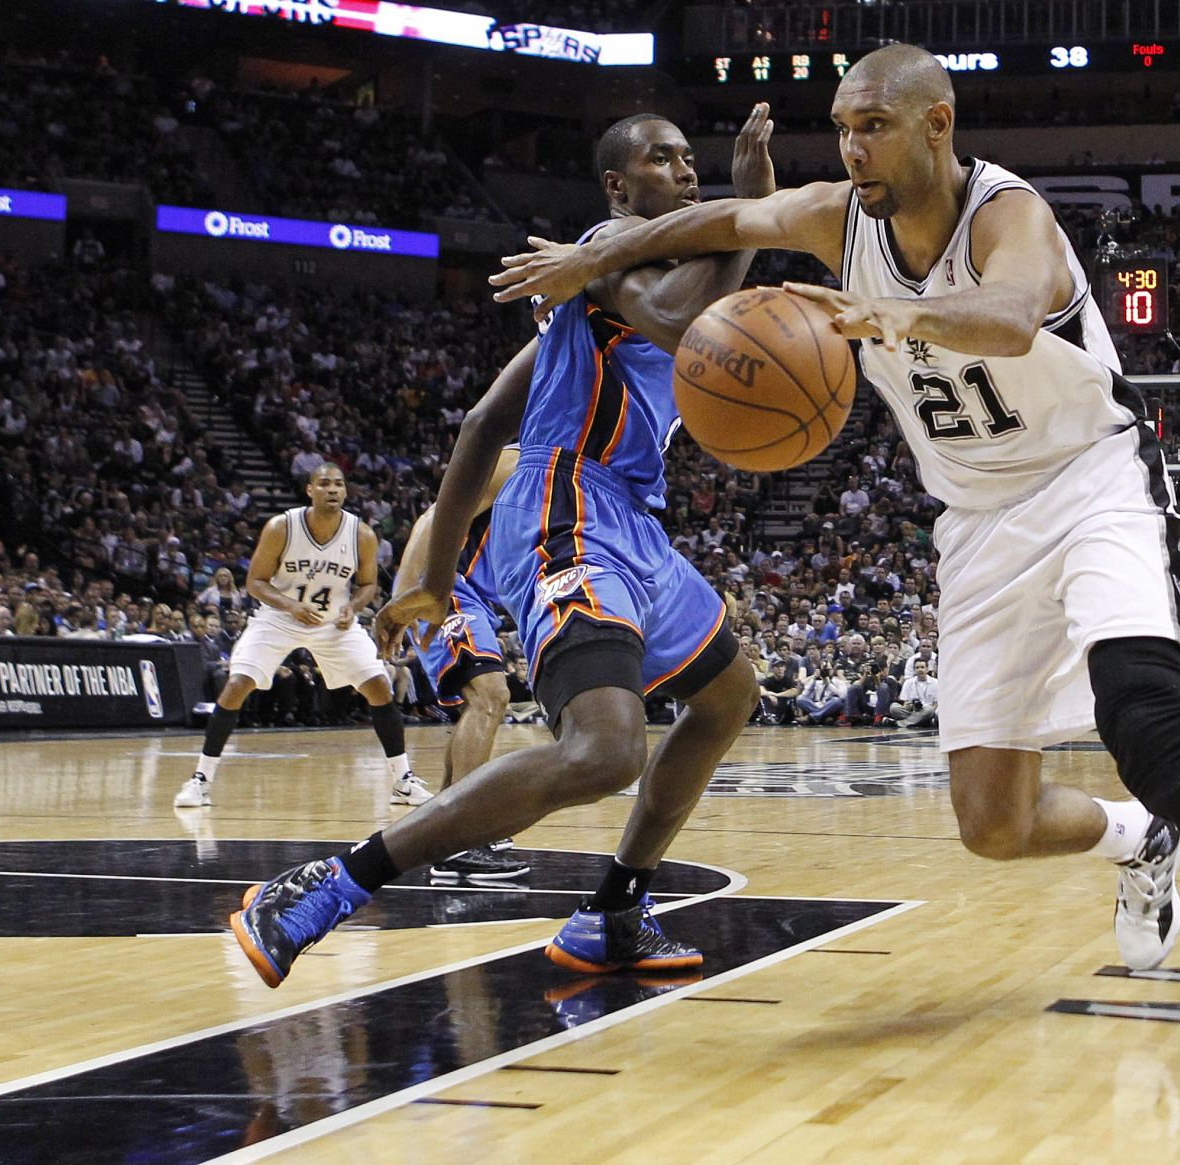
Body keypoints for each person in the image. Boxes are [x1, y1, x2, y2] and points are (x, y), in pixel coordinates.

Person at [491, 43, 1180, 1112]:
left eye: (872, 124)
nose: (851, 146)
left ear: (936, 124)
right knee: (990, 823)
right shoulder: (838, 213)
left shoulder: (1011, 218)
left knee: (1146, 715)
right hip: (975, 522)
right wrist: (592, 259)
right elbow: (717, 224)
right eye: (840, 126)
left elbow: (1009, 317)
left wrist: (899, 316)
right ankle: (1130, 834)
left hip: (1092, 478)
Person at [230, 107, 777, 987]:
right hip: (571, 509)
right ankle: (327, 884)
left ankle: (614, 911)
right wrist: (748, 215)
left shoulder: (587, 294)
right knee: (604, 750)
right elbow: (681, 320)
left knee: (727, 695)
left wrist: (439, 581)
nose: (684, 171)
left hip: (631, 518)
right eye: (661, 158)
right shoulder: (607, 248)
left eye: (690, 159)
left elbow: (484, 423)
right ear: (616, 185)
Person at [173, 464, 430, 809]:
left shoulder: (362, 534)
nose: (333, 490)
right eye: (324, 484)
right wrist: (290, 606)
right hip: (278, 619)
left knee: (380, 686)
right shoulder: (282, 527)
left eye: (339, 484)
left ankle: (403, 780)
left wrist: (352, 606)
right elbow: (255, 582)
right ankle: (200, 780)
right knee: (237, 684)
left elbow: (368, 585)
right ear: (310, 490)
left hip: (332, 624)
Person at [388, 452, 531, 883]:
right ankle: (461, 837)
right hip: (447, 588)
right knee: (490, 696)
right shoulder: (515, 461)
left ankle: (444, 826)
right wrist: (405, 601)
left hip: (478, 600)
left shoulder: (568, 469)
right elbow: (434, 519)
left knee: (478, 703)